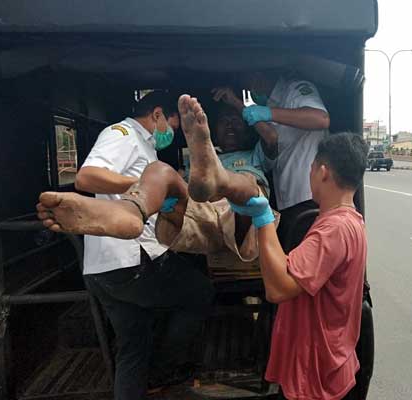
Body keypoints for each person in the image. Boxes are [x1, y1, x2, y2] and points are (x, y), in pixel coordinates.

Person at [36, 91, 216, 400]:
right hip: (132, 258)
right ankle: (167, 370)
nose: (171, 133)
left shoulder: (145, 146)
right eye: (172, 123)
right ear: (157, 114)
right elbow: (87, 176)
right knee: (200, 292)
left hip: (103, 271)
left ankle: (146, 382)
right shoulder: (123, 133)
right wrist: (146, 189)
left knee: (132, 346)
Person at [36, 98, 275, 264]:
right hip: (201, 216)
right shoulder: (130, 136)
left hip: (244, 215)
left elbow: (272, 138)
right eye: (225, 121)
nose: (231, 126)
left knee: (247, 184)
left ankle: (221, 181)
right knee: (159, 171)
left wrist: (239, 102)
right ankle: (133, 209)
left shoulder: (254, 153)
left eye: (236, 121)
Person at [230, 133, 369, 400]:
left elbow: (278, 289)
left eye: (311, 168)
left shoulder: (333, 229)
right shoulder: (350, 220)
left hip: (314, 375)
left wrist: (264, 218)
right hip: (328, 363)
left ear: (323, 172)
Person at [213, 70, 330, 248]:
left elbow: (321, 119)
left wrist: (266, 112)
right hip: (287, 202)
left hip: (308, 198)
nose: (250, 92)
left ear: (257, 76)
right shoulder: (271, 103)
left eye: (248, 86)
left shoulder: (295, 90)